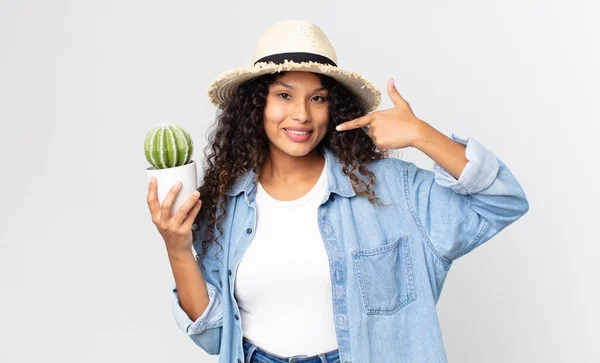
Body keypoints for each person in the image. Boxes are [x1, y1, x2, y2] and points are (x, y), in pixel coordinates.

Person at [146, 20, 529, 363]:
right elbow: (214, 337)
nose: (301, 114)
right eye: (283, 95)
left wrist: (422, 135)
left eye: (318, 98)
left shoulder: (391, 189)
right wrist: (177, 247)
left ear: (334, 108)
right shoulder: (225, 202)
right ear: (256, 105)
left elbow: (502, 202)